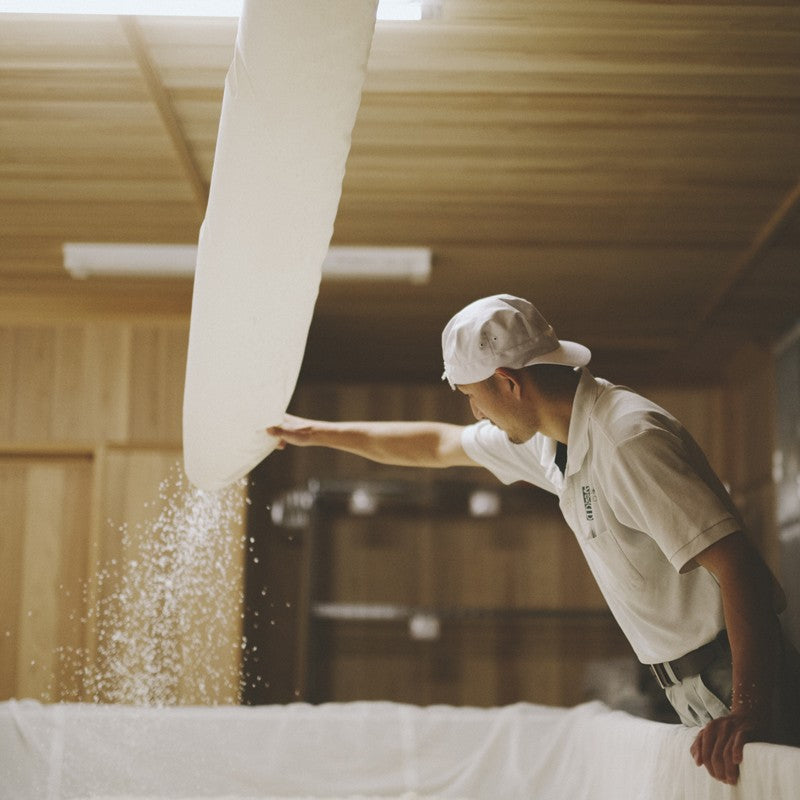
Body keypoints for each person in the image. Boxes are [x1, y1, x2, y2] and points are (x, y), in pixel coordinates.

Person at [267, 293, 799, 786]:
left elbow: (738, 566)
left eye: (475, 399)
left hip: (737, 671)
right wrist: (316, 433)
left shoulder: (627, 439)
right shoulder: (551, 439)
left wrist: (748, 708)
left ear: (509, 383)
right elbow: (438, 443)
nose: (476, 414)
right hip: (694, 682)